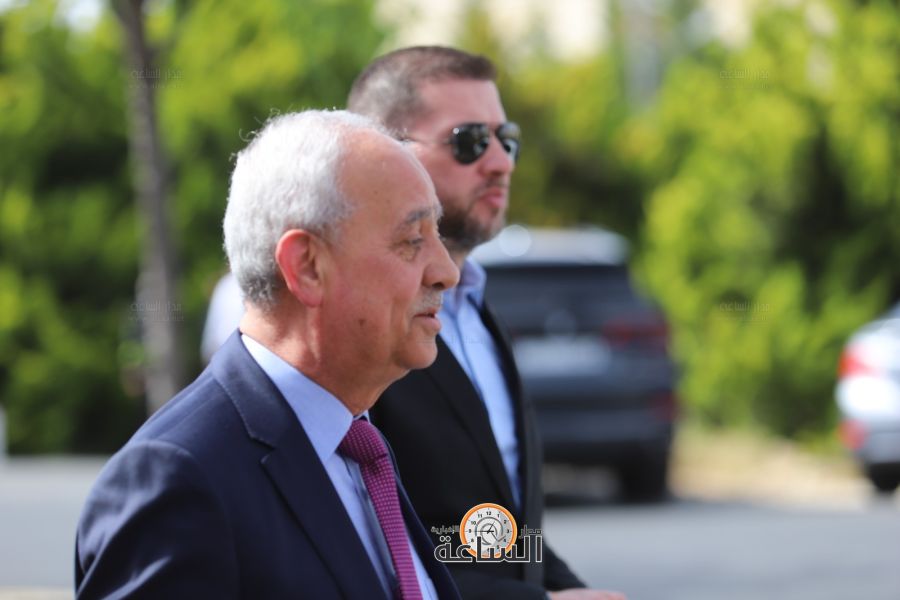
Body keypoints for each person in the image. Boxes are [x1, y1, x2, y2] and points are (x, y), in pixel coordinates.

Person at [75, 110, 462, 599]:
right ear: (306, 267)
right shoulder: (178, 480)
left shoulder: (359, 445)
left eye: (437, 234)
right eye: (412, 239)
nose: (447, 271)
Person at [348, 47, 626, 600]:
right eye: (470, 140)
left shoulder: (474, 306)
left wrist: (569, 590)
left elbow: (495, 533)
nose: (501, 162)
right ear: (386, 152)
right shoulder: (358, 323)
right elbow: (367, 544)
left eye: (508, 139)